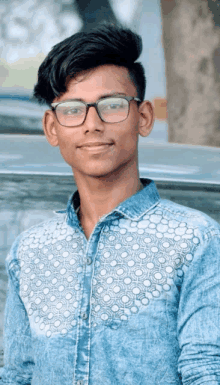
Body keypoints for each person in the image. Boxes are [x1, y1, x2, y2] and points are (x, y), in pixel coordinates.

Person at [1, 22, 220, 385]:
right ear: (52, 128)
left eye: (112, 105)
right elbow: (18, 375)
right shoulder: (30, 251)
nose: (92, 125)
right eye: (72, 109)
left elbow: (207, 370)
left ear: (144, 117)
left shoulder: (196, 241)